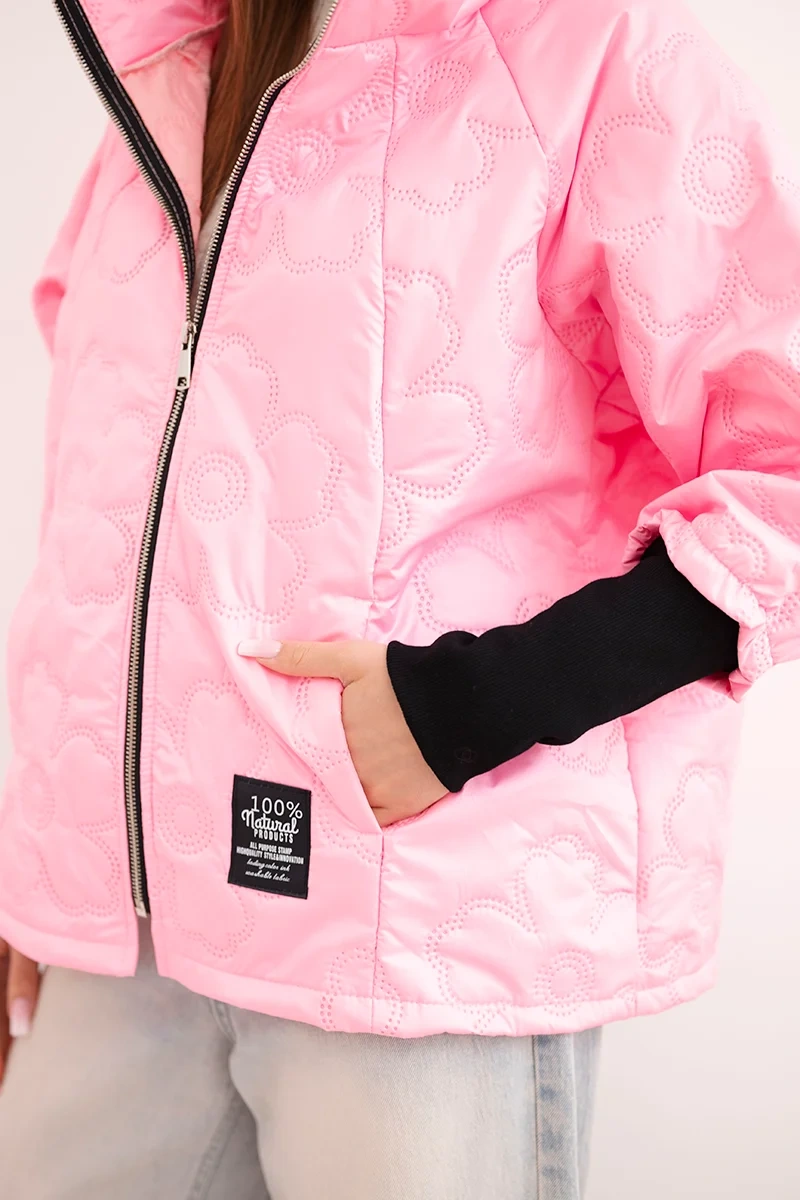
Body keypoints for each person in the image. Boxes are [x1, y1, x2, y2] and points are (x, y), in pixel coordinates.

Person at [0, 0, 798, 1194]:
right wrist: (47, 865)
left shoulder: (596, 58)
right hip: (125, 944)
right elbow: (112, 507)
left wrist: (463, 708)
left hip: (422, 929)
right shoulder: (165, 77)